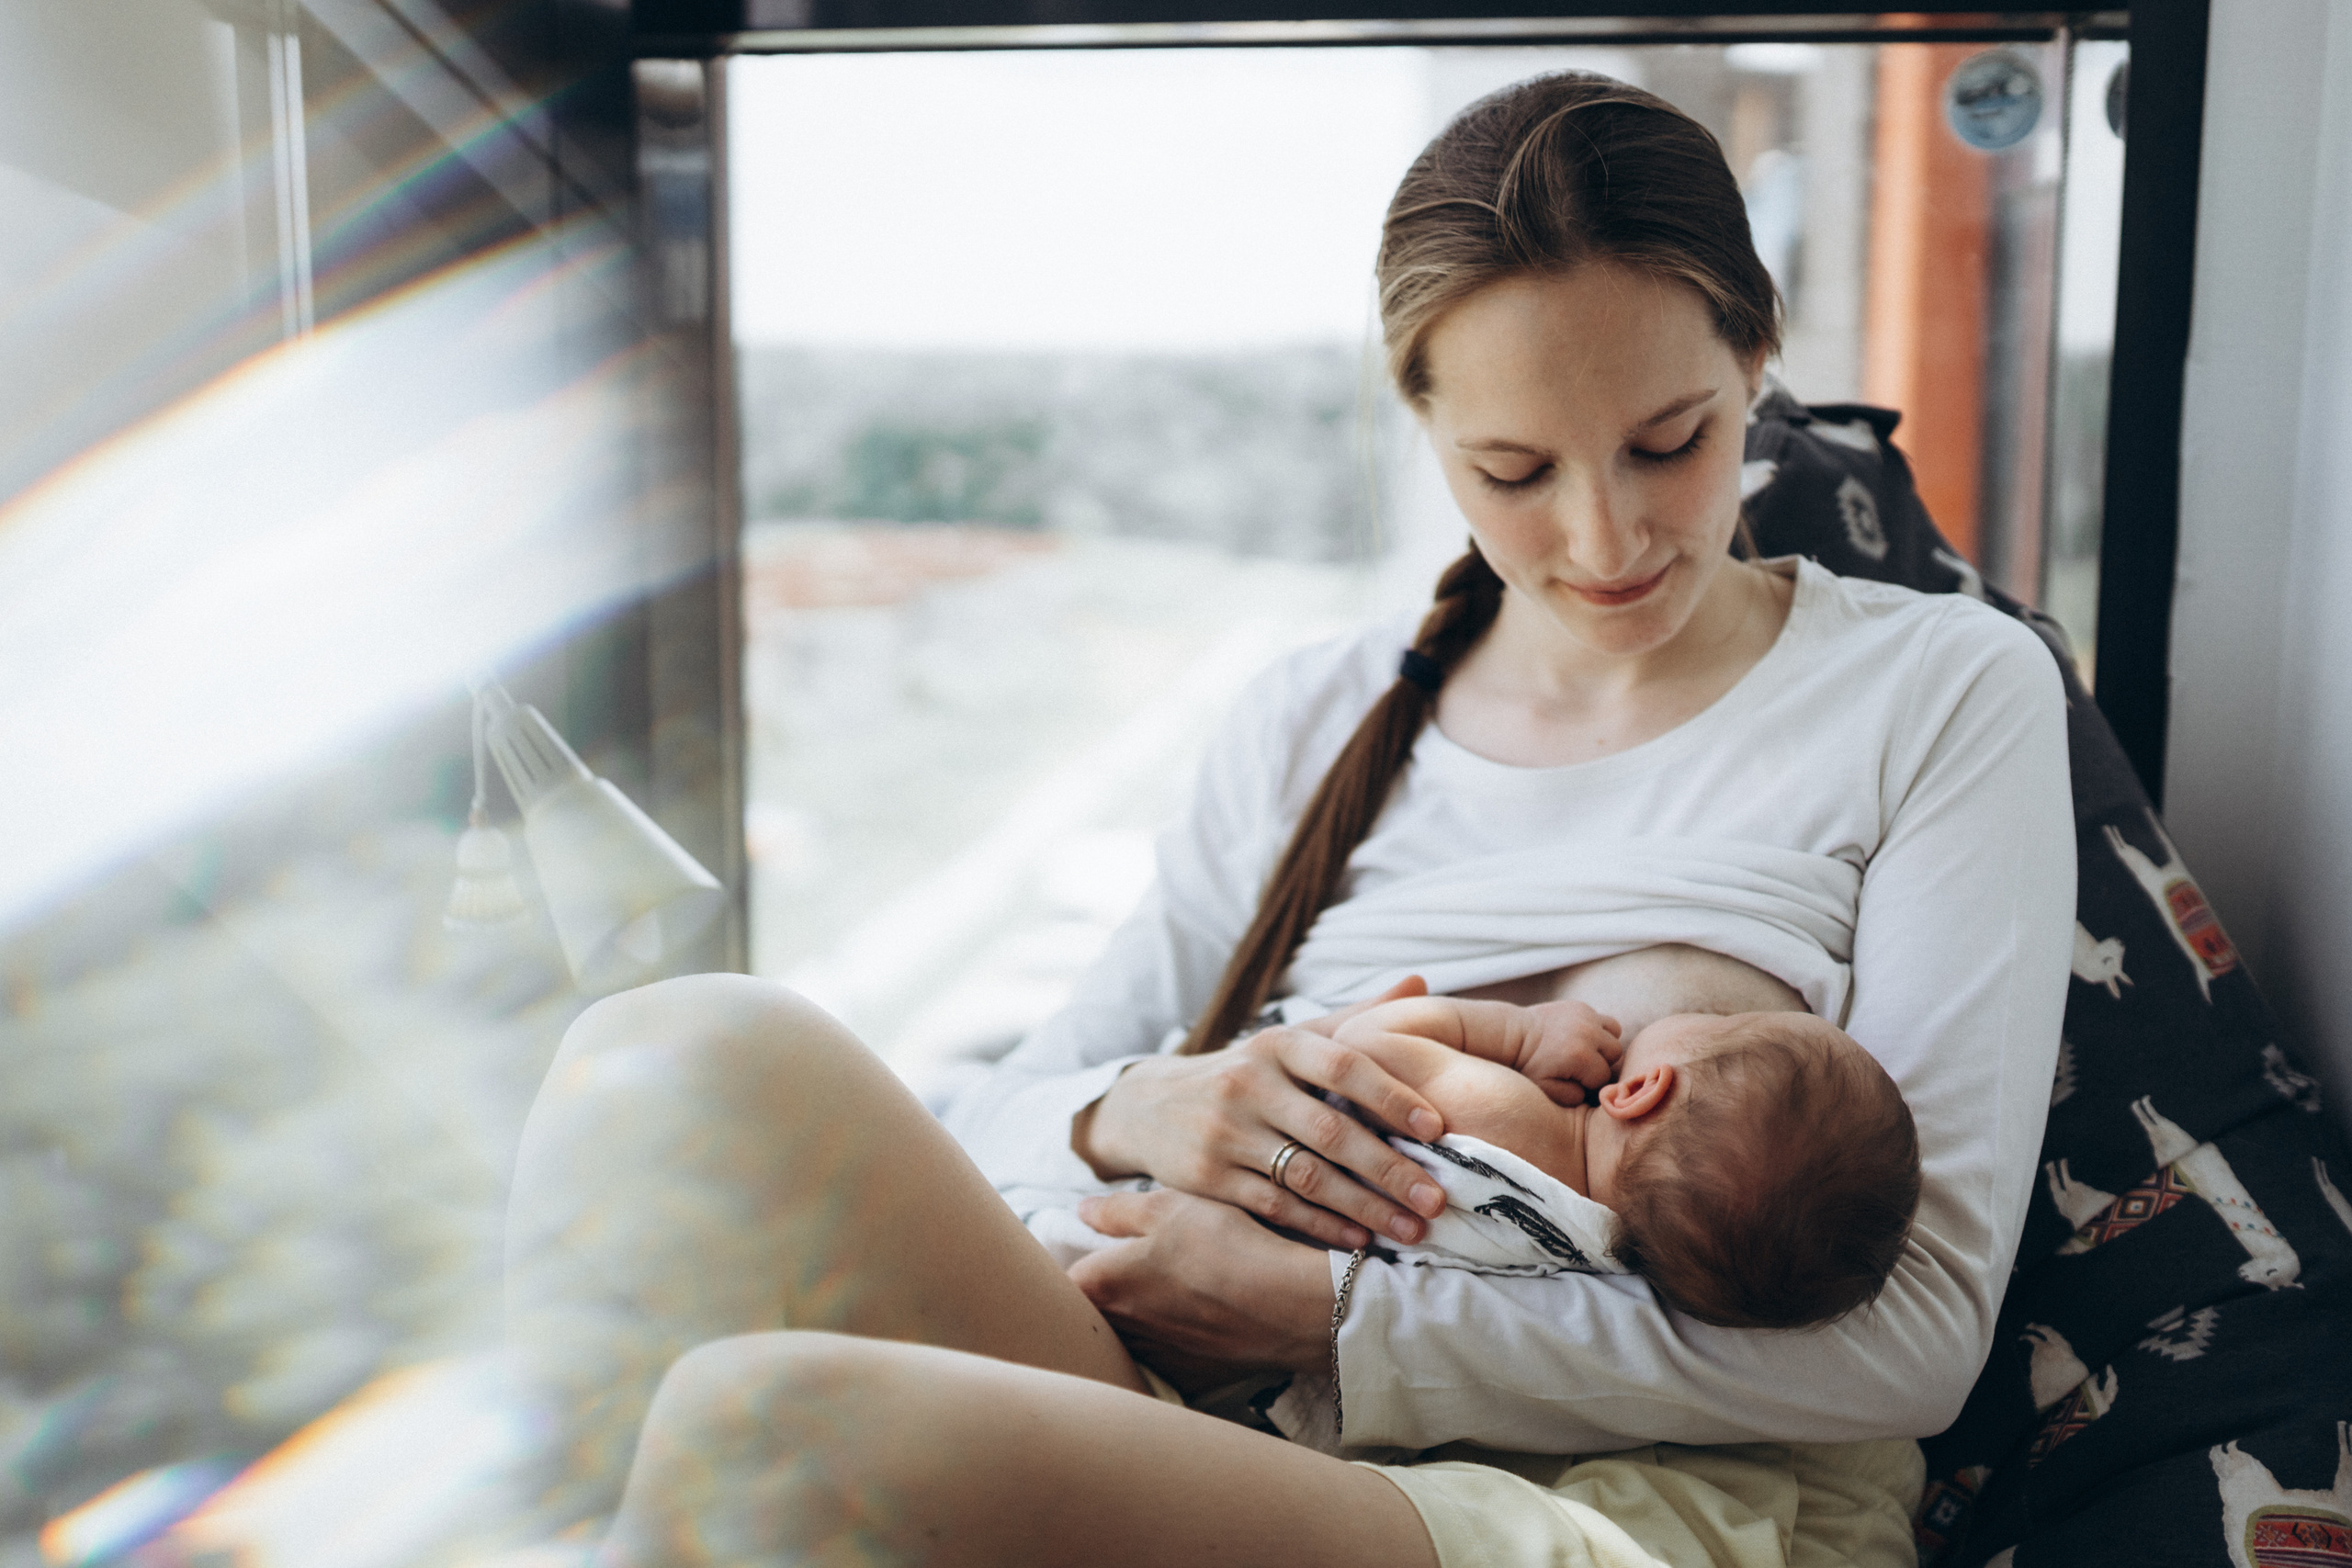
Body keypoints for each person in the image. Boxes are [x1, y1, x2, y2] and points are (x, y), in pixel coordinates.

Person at [506, 71, 2073, 1568]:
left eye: (1670, 444)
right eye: (1513, 469)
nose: (1605, 539)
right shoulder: (1318, 717)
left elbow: (1913, 1343)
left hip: (1616, 1502)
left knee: (767, 1424)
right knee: (675, 1054)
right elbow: (1011, 1107)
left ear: (1758, 362)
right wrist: (1143, 1112)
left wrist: (1328, 1313)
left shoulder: (1937, 688)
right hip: (1212, 1405)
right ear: (1423, 422)